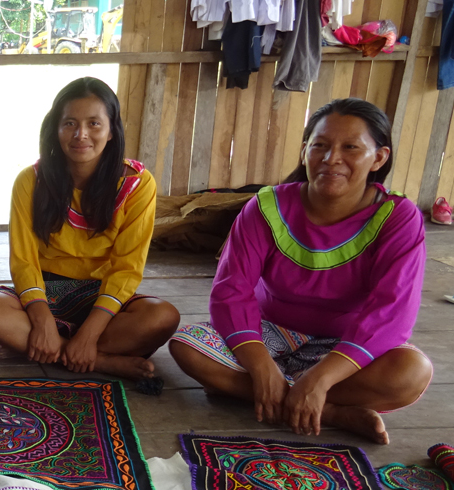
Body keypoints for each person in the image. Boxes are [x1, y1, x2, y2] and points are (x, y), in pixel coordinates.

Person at [169, 98, 433, 445]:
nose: (331, 158)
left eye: (350, 147)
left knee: (412, 373)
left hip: (343, 344)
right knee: (187, 346)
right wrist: (261, 365)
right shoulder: (267, 206)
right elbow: (231, 291)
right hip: (269, 332)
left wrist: (321, 379)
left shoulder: (397, 217)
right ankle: (329, 412)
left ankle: (271, 393)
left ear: (379, 158)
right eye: (319, 146)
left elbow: (391, 311)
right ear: (305, 150)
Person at [0, 77, 179, 380]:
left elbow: (127, 268)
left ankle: (42, 348)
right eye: (69, 123)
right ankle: (99, 362)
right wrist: (41, 323)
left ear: (111, 130)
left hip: (101, 296)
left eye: (94, 123)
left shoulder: (137, 185)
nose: (81, 135)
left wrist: (89, 335)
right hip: (44, 291)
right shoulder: (31, 180)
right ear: (55, 129)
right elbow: (24, 261)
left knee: (162, 317)